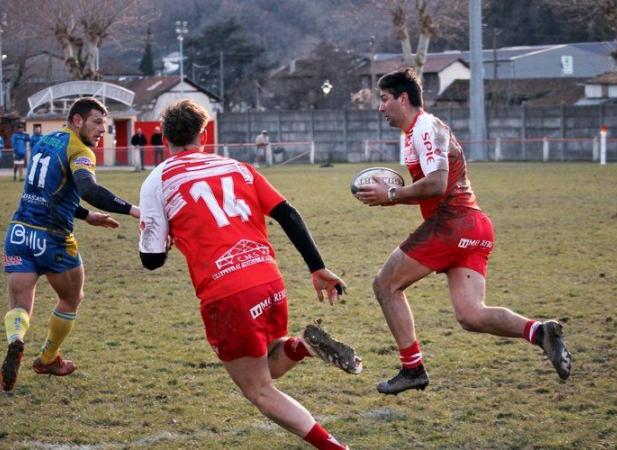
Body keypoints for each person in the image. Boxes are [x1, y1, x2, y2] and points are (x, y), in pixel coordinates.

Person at [138, 99, 360, 450]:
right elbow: (287, 213)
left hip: (228, 293)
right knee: (266, 367)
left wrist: (164, 236)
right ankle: (301, 347)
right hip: (268, 280)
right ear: (204, 134)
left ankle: (335, 447)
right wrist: (316, 267)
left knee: (259, 389)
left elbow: (151, 260)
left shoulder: (159, 179)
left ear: (163, 136)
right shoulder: (237, 167)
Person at [356, 68, 572, 395]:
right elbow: (435, 187)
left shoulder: (423, 127)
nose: (380, 107)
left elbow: (437, 183)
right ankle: (539, 332)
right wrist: (392, 199)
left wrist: (392, 195)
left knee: (385, 284)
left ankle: (412, 368)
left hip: (451, 223)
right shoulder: (419, 132)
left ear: (403, 98)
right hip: (474, 225)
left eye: (384, 99)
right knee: (471, 315)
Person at [1, 97, 140, 392]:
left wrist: (87, 216)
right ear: (77, 121)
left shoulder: (46, 140)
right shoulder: (80, 149)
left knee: (20, 305)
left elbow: (51, 190)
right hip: (54, 239)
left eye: (106, 124)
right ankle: (48, 358)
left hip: (19, 233)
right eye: (97, 122)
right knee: (72, 298)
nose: (103, 129)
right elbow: (88, 188)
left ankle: (15, 341)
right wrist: (133, 210)